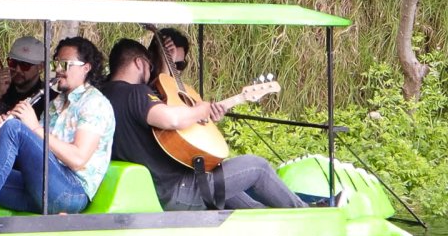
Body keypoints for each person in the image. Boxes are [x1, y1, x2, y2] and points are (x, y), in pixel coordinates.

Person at [101, 36, 306, 210]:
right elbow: (173, 119)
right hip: (179, 189)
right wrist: (201, 109)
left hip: (158, 189)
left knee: (225, 188)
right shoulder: (135, 93)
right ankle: (307, 215)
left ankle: (265, 220)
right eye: (149, 66)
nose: (151, 72)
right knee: (258, 167)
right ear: (139, 63)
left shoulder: (103, 94)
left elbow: (166, 114)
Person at [0, 36, 115, 218]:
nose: (58, 70)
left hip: (71, 192)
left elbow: (78, 158)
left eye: (66, 65)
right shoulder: (56, 103)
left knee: (14, 127)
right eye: (56, 64)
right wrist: (3, 134)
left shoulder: (95, 103)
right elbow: (36, 150)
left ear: (86, 68)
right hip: (38, 186)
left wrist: (33, 129)